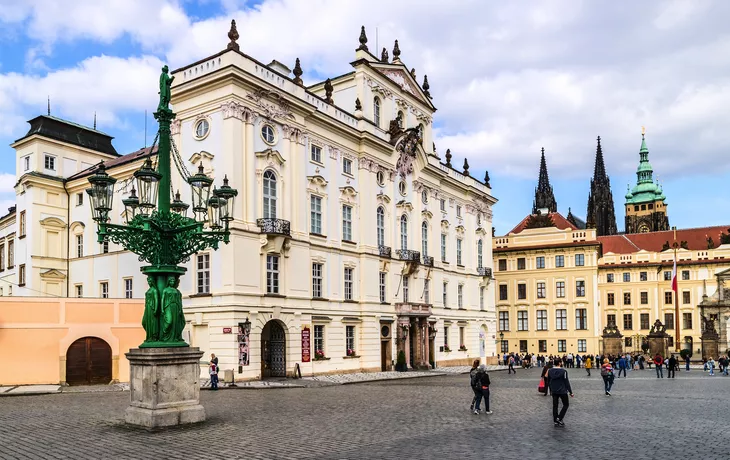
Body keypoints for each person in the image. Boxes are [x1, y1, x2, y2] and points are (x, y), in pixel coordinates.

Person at [547, 359, 573, 427]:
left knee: (555, 406)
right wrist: (570, 392)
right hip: (562, 390)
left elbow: (548, 381)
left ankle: (555, 420)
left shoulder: (550, 371)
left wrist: (551, 389)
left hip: (554, 390)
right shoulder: (563, 371)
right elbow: (566, 382)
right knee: (566, 404)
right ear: (559, 363)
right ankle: (559, 418)